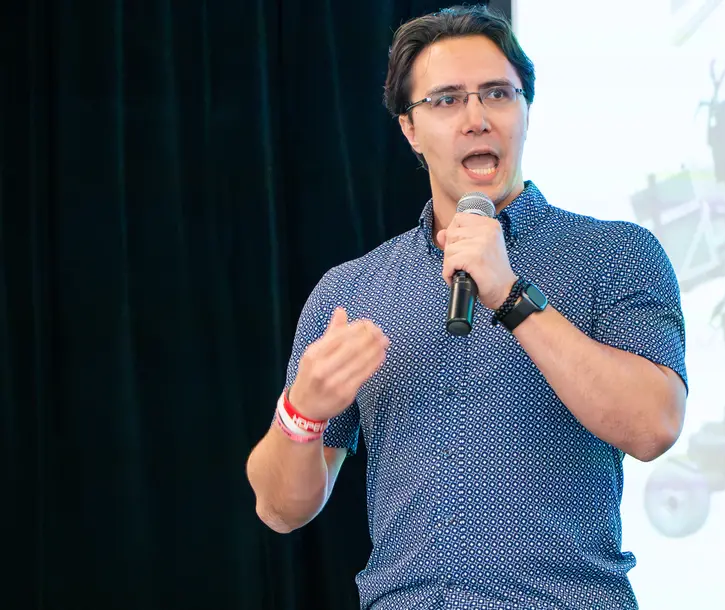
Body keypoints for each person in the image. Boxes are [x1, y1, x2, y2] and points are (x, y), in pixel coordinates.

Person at [245, 5, 688, 609]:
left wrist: (509, 294)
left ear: (526, 111)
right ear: (409, 129)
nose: (477, 119)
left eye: (498, 95)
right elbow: (279, 509)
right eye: (448, 100)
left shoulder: (614, 254)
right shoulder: (352, 291)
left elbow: (654, 426)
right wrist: (303, 411)